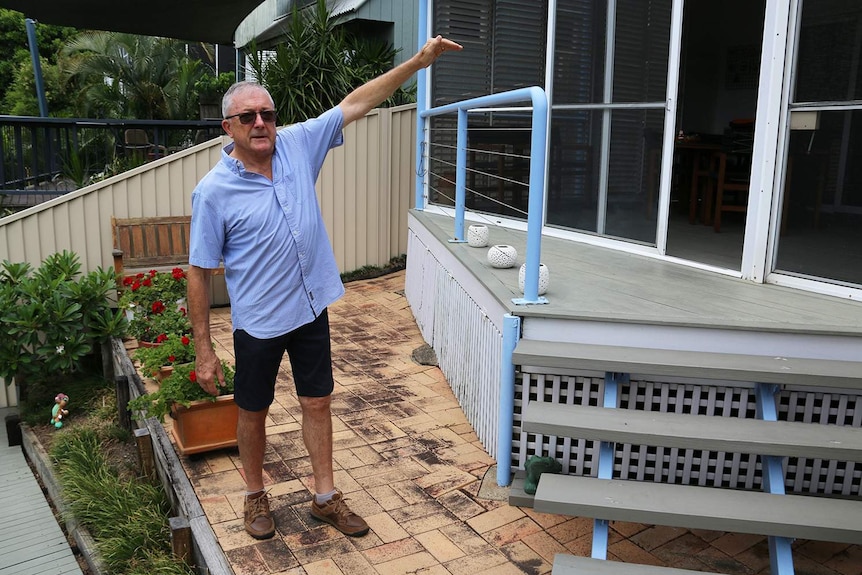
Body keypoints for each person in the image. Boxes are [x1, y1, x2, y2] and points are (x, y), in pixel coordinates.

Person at [187, 35, 462, 540]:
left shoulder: (297, 143)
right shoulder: (213, 192)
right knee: (252, 411)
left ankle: (324, 496)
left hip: (310, 307)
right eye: (247, 117)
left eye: (266, 113)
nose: (260, 124)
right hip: (259, 322)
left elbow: (357, 101)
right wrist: (204, 351)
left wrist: (419, 63)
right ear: (228, 127)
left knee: (318, 402)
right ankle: (253, 498)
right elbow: (198, 272)